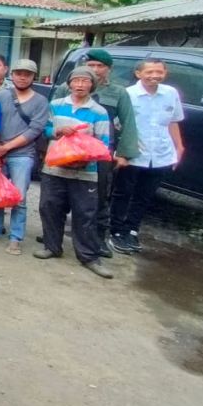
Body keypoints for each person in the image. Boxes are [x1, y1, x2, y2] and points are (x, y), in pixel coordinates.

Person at [53, 48, 139, 257]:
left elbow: (128, 123)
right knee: (60, 195)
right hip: (66, 151)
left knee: (98, 197)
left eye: (100, 66)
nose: (95, 70)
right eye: (90, 65)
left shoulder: (118, 92)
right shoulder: (67, 88)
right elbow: (51, 117)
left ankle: (97, 239)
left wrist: (124, 153)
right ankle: (52, 236)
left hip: (99, 153)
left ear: (108, 69)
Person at [35, 66, 113, 278]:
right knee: (49, 207)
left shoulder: (99, 112)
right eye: (76, 81)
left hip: (85, 170)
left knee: (85, 213)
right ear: (69, 84)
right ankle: (52, 246)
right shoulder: (56, 105)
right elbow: (46, 131)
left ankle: (89, 256)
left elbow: (104, 143)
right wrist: (58, 131)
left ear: (91, 85)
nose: (79, 85)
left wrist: (84, 158)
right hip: (54, 168)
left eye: (84, 81)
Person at [109, 58, 184, 254]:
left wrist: (179, 147)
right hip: (132, 154)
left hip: (161, 154)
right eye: (149, 72)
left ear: (165, 73)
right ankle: (115, 231)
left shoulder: (170, 93)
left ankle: (131, 229)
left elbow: (173, 121)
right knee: (122, 193)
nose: (154, 76)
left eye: (159, 72)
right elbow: (117, 124)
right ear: (138, 74)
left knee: (144, 195)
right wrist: (121, 150)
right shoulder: (128, 94)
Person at [0, 59, 49, 255]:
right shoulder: (1, 96)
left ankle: (15, 237)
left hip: (22, 155)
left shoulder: (41, 101)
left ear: (33, 77)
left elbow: (34, 130)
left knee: (19, 197)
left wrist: (6, 147)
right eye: (19, 73)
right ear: (13, 74)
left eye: (27, 74)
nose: (22, 76)